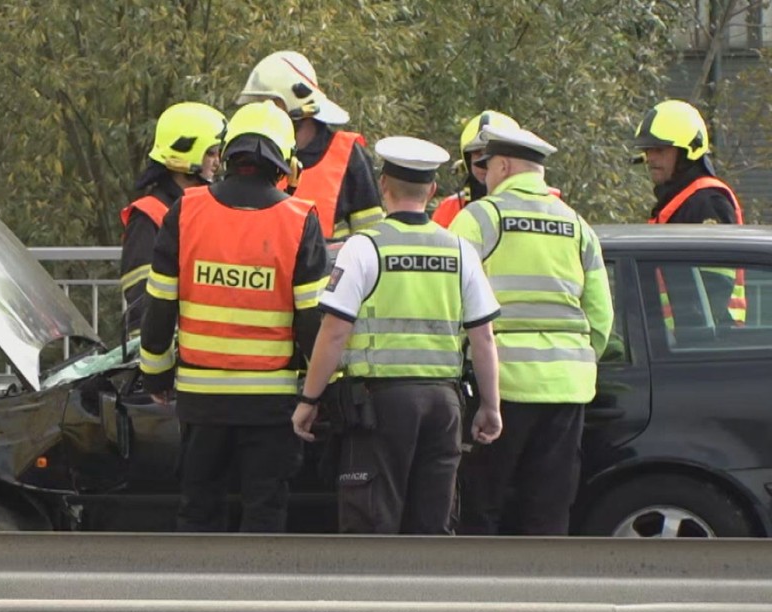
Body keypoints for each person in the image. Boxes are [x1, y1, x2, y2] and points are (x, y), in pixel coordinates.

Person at [291, 136, 502, 535]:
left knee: (372, 522)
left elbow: (334, 332)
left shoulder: (363, 248)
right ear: (433, 192)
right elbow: (483, 338)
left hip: (380, 407)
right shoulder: (460, 251)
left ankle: (373, 596)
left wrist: (310, 399)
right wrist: (491, 406)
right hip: (444, 405)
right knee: (432, 525)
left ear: (383, 185)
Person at [139, 101, 328, 533]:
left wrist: (156, 377)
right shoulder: (300, 220)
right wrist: (319, 394)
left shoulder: (186, 210)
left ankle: (201, 598)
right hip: (271, 404)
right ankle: (258, 598)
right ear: (285, 160)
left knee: (199, 509)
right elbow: (312, 323)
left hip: (200, 401)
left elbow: (159, 307)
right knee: (265, 512)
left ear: (227, 153)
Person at [449, 125, 614, 536]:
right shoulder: (577, 226)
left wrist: (456, 361)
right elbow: (602, 315)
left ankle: (480, 594)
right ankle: (545, 595)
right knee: (549, 507)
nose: (482, 175)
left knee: (481, 503)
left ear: (503, 166)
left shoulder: (480, 218)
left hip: (500, 386)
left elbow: (448, 297)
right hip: (567, 387)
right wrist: (578, 361)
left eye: (487, 166)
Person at [236, 51, 384, 240]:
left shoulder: (348, 156)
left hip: (331, 268)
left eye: (269, 103)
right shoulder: (252, 155)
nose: (261, 112)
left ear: (295, 100)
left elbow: (372, 239)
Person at [634, 99, 746, 326]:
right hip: (681, 347)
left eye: (660, 149)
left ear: (688, 152)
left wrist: (691, 337)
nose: (650, 158)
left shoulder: (707, 202)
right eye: (647, 150)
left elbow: (715, 287)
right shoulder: (679, 201)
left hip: (707, 346)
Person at [121, 102, 227, 336]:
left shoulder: (200, 208)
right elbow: (141, 300)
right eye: (210, 153)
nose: (217, 162)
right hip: (167, 346)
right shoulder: (148, 215)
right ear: (184, 154)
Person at [432, 110, 521, 228]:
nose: (484, 163)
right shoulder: (449, 209)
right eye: (478, 154)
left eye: (493, 155)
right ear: (468, 160)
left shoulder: (550, 202)